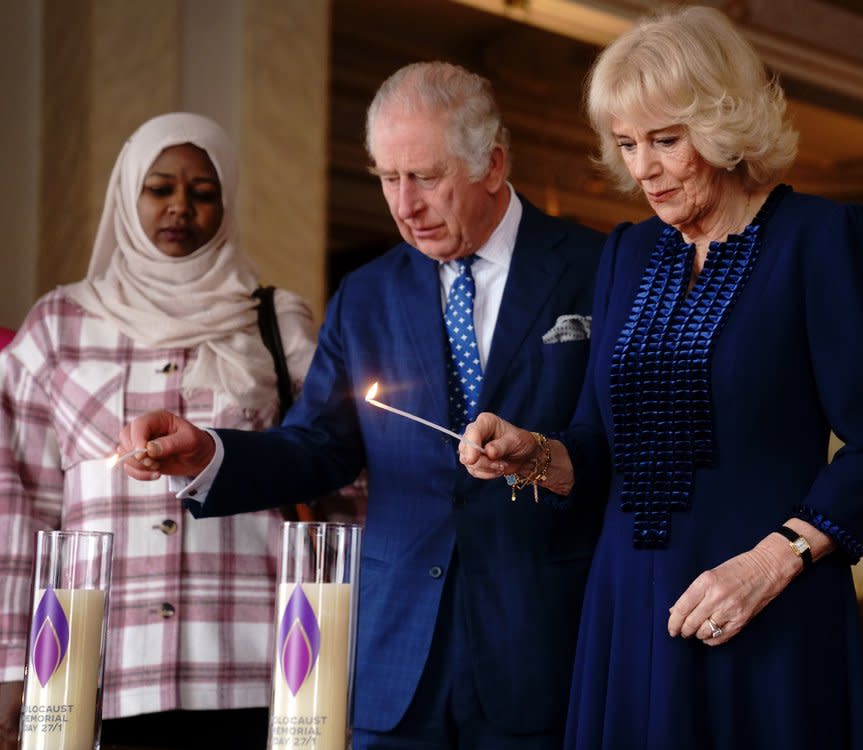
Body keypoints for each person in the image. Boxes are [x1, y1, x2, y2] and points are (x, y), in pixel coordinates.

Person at [118, 62, 606, 749]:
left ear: (492, 165)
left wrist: (545, 457)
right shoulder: (366, 294)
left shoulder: (599, 268)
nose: (404, 205)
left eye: (426, 177)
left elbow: (621, 446)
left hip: (544, 646)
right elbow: (319, 446)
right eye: (387, 178)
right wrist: (209, 452)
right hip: (395, 657)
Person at [460, 7, 863, 750]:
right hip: (628, 609)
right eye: (629, 144)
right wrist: (531, 453)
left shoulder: (824, 239)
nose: (643, 168)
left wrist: (773, 562)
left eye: (666, 140)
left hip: (768, 607)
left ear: (725, 124)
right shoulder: (628, 254)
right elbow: (597, 446)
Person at [0, 112, 316, 749]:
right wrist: (10, 664)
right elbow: (20, 504)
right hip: (93, 667)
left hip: (255, 662)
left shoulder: (277, 323)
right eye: (159, 188)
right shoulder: (58, 325)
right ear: (127, 194)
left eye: (203, 193)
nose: (180, 207)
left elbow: (329, 468)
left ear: (225, 204)